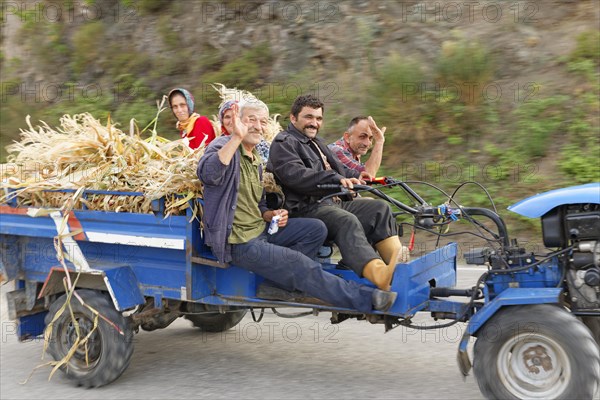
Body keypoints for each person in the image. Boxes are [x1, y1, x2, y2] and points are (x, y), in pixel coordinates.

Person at [197, 99, 397, 312]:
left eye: (262, 121)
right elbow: (208, 174)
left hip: (260, 229)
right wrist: (236, 136)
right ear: (238, 122)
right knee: (299, 264)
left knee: (316, 229)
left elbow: (258, 202)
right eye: (251, 120)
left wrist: (270, 214)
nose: (257, 125)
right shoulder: (223, 146)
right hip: (239, 242)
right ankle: (367, 299)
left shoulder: (255, 159)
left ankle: (277, 286)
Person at [268, 94, 406, 291]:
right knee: (346, 220)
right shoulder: (284, 142)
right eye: (308, 117)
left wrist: (358, 176)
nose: (314, 123)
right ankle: (378, 273)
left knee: (379, 208)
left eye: (318, 118)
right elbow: (297, 175)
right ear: (293, 118)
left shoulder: (317, 142)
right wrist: (336, 180)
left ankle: (398, 264)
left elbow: (338, 168)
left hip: (329, 203)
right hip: (305, 208)